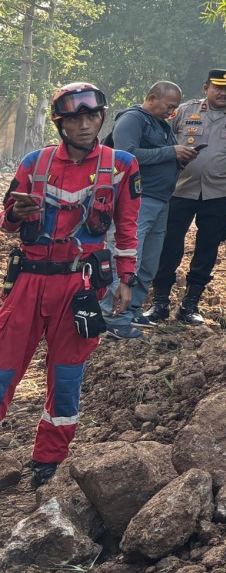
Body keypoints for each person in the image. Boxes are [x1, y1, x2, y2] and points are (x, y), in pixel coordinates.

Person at [1, 83, 140, 487]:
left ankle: (48, 460)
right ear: (59, 123)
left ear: (102, 118)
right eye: (75, 118)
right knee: (2, 368)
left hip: (81, 287)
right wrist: (15, 213)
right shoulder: (34, 162)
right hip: (27, 281)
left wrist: (127, 279)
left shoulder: (122, 165)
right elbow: (7, 223)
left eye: (92, 116)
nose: (84, 125)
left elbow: (127, 228)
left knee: (66, 377)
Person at [145, 69, 226, 326]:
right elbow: (159, 134)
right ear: (206, 88)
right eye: (219, 87)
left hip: (219, 192)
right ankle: (160, 303)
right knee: (169, 245)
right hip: (180, 189)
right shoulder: (183, 111)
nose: (225, 93)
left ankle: (191, 304)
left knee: (207, 247)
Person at [104, 81, 193, 336]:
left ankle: (131, 311)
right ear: (152, 98)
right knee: (127, 257)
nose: (172, 112)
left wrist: (180, 156)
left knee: (149, 262)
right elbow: (124, 155)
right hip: (137, 200)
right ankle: (112, 318)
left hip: (161, 200)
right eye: (169, 106)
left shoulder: (161, 125)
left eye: (175, 108)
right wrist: (170, 152)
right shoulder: (133, 119)